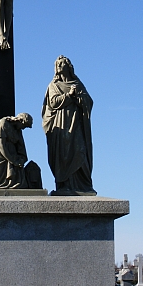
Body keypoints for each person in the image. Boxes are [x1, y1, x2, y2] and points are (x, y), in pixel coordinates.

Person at [42, 56, 96, 195]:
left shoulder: (77, 84)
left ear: (69, 67)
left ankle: (82, 185)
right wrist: (69, 96)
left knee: (79, 150)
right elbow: (52, 102)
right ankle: (64, 185)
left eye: (62, 63)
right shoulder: (53, 86)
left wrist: (78, 97)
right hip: (61, 125)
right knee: (63, 154)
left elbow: (88, 101)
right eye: (57, 64)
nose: (59, 66)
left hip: (76, 124)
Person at [0, 113, 33, 189]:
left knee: (18, 181)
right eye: (24, 126)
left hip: (12, 154)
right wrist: (12, 160)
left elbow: (21, 148)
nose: (23, 128)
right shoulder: (3, 123)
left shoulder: (18, 130)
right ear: (21, 121)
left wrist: (21, 159)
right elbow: (1, 145)